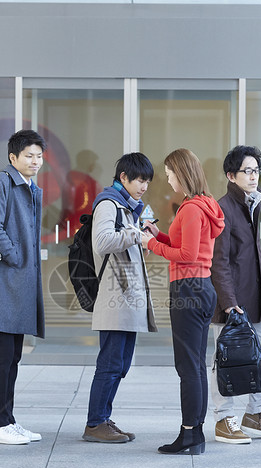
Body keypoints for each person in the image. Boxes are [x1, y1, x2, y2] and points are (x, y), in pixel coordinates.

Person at [142, 148, 225, 455]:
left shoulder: (190, 209)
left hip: (188, 290)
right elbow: (188, 247)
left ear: (182, 173)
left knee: (188, 367)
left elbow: (188, 256)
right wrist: (159, 235)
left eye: (169, 174)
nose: (167, 179)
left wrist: (149, 242)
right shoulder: (204, 205)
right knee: (195, 366)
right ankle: (194, 432)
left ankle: (190, 434)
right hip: (200, 287)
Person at [0, 129, 46, 445]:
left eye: (39, 156)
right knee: (3, 353)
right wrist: (17, 256)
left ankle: (7, 420)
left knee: (13, 353)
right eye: (29, 155)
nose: (35, 161)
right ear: (13, 157)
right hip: (4, 282)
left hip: (19, 283)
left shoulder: (31, 187)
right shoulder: (3, 181)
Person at [209, 145, 261, 444]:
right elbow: (220, 261)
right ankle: (223, 418)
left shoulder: (252, 204)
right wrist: (229, 303)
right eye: (247, 171)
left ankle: (255, 412)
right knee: (224, 359)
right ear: (231, 175)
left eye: (256, 170)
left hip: (253, 299)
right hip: (232, 303)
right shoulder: (223, 208)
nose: (253, 176)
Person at [82, 153, 158, 443]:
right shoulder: (108, 203)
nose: (144, 186)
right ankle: (94, 423)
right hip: (114, 297)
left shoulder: (128, 208)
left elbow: (124, 241)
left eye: (148, 181)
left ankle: (103, 417)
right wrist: (135, 235)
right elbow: (102, 242)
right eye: (140, 180)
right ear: (123, 177)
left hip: (126, 299)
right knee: (111, 363)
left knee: (121, 364)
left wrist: (141, 241)